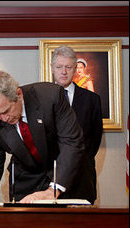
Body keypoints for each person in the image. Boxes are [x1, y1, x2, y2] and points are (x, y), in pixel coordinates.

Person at [0, 70, 96, 228]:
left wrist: (53, 189)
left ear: (18, 94)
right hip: (28, 187)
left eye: (6, 111)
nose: (3, 118)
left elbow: (73, 144)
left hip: (68, 181)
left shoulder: (50, 96)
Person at [51, 45, 103, 195]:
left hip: (82, 178)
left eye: (68, 67)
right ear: (52, 68)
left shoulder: (92, 100)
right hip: (50, 180)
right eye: (59, 66)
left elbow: (95, 138)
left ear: (75, 69)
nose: (64, 71)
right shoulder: (41, 98)